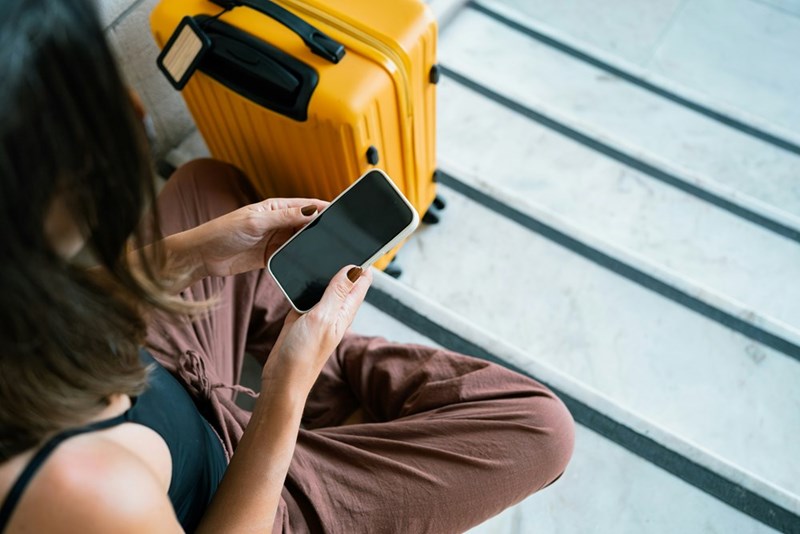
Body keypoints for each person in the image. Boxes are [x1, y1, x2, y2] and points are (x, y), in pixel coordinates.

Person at [0, 0, 575, 532]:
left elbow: (74, 314)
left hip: (162, 379)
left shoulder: (22, 292)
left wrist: (195, 253)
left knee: (209, 183)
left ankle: (317, 349)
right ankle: (324, 372)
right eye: (101, 113)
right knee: (538, 427)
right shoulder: (85, 491)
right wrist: (284, 390)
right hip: (238, 493)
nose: (136, 113)